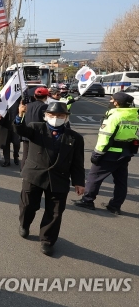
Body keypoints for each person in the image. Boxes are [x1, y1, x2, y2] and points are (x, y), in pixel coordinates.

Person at [14, 101, 85, 256]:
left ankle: (47, 240)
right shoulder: (36, 128)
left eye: (60, 115)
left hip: (59, 178)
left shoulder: (75, 138)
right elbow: (20, 129)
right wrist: (20, 115)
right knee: (28, 205)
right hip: (34, 174)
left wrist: (79, 182)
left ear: (66, 118)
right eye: (52, 115)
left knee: (55, 213)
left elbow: (78, 162)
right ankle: (24, 224)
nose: (55, 118)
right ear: (45, 116)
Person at [72, 92, 139, 215]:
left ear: (116, 103)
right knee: (121, 181)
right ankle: (115, 206)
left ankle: (87, 201)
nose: (110, 101)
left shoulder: (114, 117)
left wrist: (97, 154)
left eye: (112, 100)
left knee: (94, 177)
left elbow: (105, 137)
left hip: (109, 153)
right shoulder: (135, 116)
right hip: (125, 153)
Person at [19, 87, 49, 169]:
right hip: (38, 135)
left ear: (35, 96)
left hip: (26, 134)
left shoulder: (27, 106)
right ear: (46, 97)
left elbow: (22, 119)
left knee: (25, 154)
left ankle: (23, 171)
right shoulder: (46, 107)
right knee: (37, 155)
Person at [0, 98, 21, 167]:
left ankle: (16, 156)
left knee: (16, 143)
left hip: (15, 126)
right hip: (5, 126)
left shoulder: (17, 101)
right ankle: (7, 160)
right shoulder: (2, 103)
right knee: (5, 144)